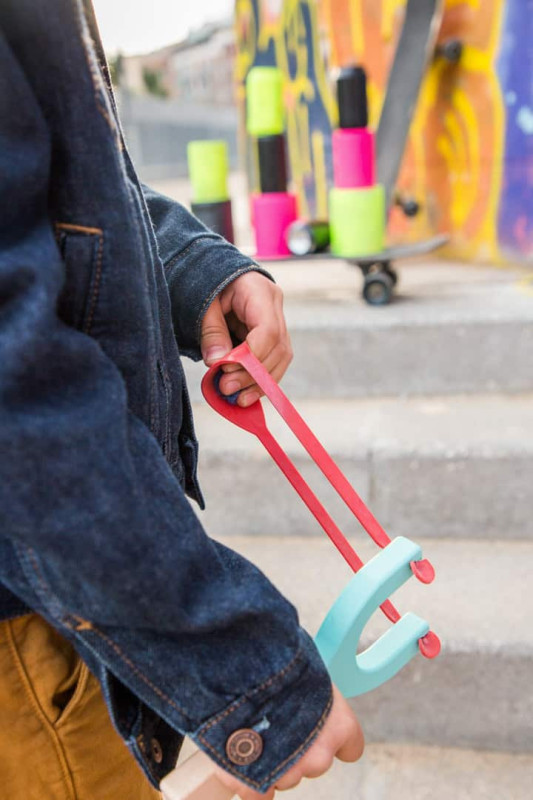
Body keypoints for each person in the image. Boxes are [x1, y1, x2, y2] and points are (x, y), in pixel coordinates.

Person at [0, 1, 364, 798]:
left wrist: (190, 269)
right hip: (28, 634)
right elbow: (19, 401)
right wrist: (253, 680)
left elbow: (59, 190)